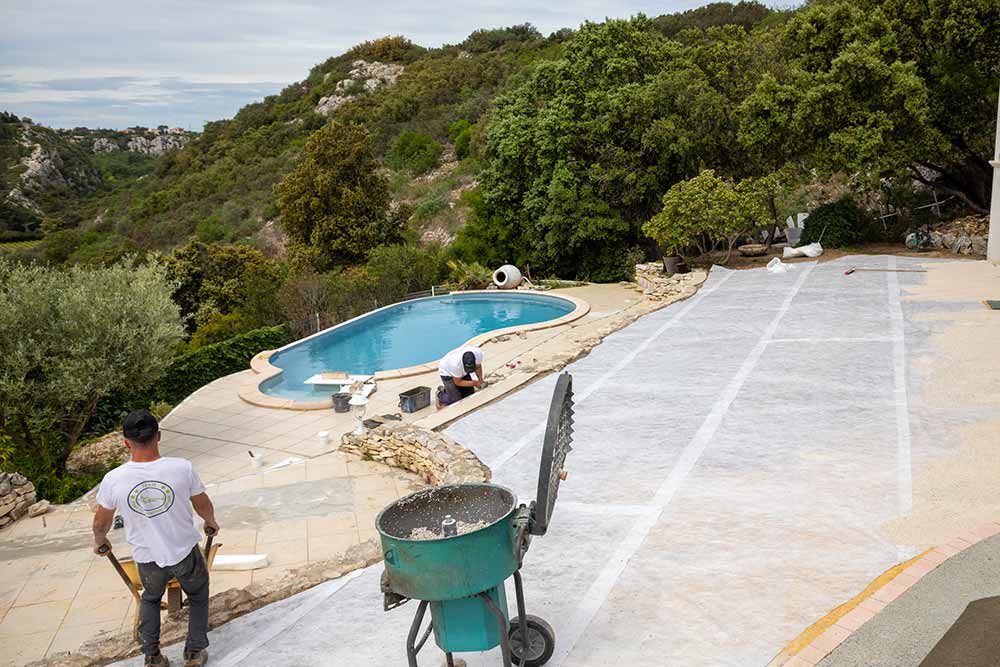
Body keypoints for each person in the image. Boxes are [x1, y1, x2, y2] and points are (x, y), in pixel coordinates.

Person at [93, 410, 219, 667]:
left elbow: (101, 522)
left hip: (147, 558)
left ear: (125, 442)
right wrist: (210, 522)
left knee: (150, 598)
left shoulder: (114, 479)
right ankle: (194, 653)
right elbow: (202, 504)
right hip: (184, 552)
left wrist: (100, 539)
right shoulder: (181, 467)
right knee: (197, 595)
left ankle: (152, 657)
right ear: (158, 436)